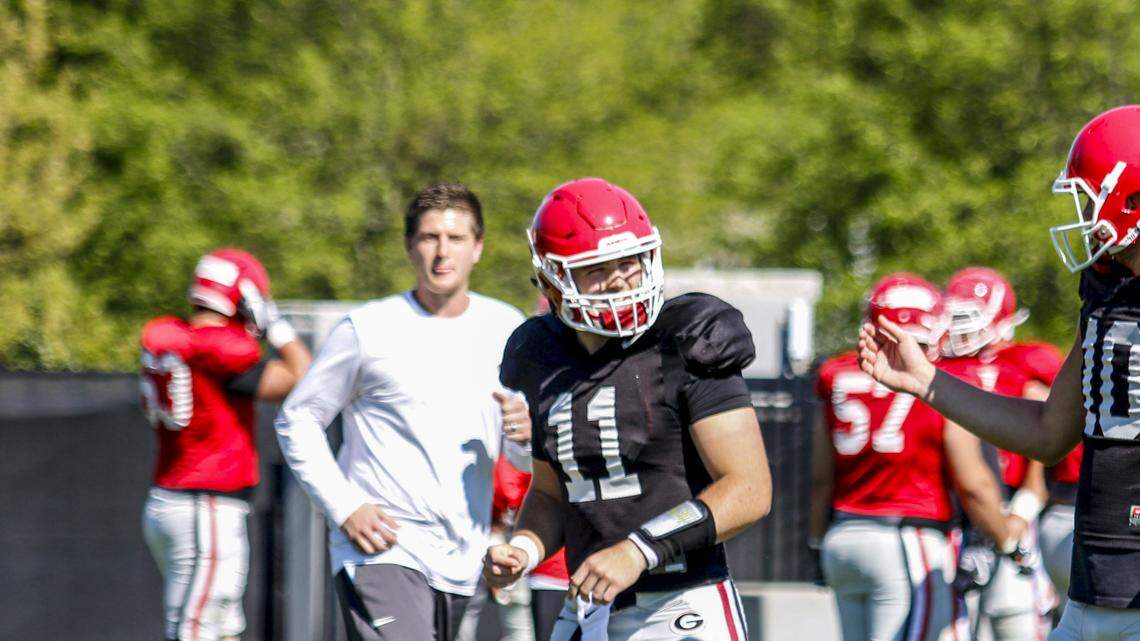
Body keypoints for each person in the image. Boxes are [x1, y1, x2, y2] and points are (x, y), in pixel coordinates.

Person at [859, 106, 1140, 641]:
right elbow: (1047, 434)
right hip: (1091, 593)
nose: (1083, 214)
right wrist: (926, 382)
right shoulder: (1106, 293)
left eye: (1090, 198)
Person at [483, 177, 773, 641]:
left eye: (629, 261)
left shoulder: (685, 339)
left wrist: (639, 550)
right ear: (553, 283)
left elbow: (749, 488)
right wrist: (523, 548)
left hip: (682, 600)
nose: (618, 278)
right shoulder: (540, 357)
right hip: (590, 606)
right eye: (597, 268)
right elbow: (552, 494)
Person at [273, 183, 529, 641]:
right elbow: (297, 419)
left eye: (455, 238)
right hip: (382, 551)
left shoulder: (507, 328)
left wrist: (527, 438)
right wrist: (344, 506)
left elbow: (522, 457)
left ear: (479, 247)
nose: (441, 252)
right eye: (430, 237)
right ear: (410, 246)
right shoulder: (368, 329)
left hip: (463, 559)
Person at [812, 272, 1012, 641]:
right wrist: (1008, 540)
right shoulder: (943, 380)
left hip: (842, 536)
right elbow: (974, 484)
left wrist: (816, 540)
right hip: (908, 535)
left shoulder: (836, 374)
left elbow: (821, 477)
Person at [140, 247, 312, 641]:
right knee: (195, 630)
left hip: (176, 499)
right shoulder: (220, 348)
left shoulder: (169, 336)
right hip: (205, 504)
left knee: (225, 627)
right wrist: (276, 325)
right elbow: (304, 377)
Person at [939, 266, 1064, 639]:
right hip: (954, 516)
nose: (959, 328)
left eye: (967, 317)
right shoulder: (938, 366)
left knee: (1019, 620)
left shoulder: (1028, 361)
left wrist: (1024, 509)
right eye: (954, 317)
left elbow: (1051, 440)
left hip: (1013, 509)